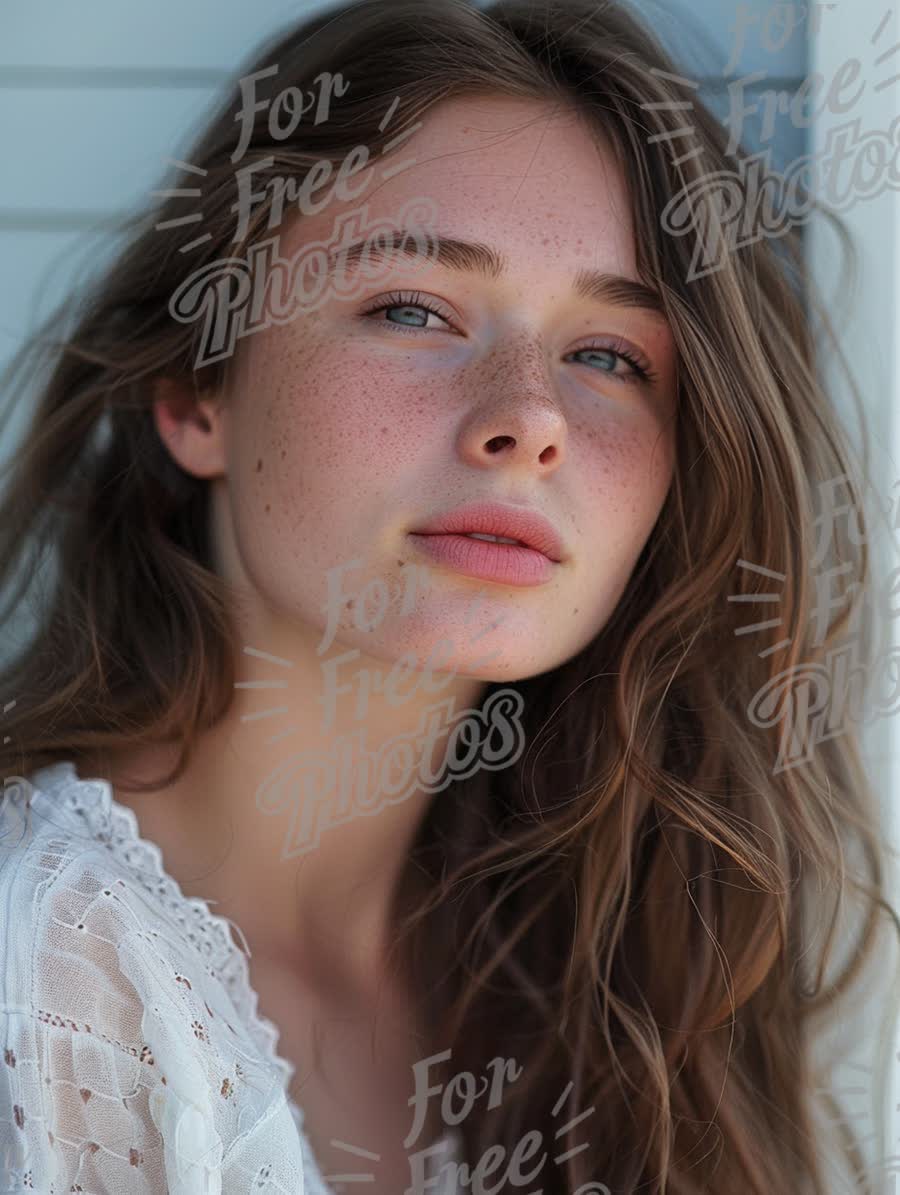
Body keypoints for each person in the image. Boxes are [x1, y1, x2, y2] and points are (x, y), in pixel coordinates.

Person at [0, 0, 897, 1191]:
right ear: (196, 391)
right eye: (412, 309)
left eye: (609, 357)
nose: (529, 416)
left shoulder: (620, 1000)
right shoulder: (32, 971)